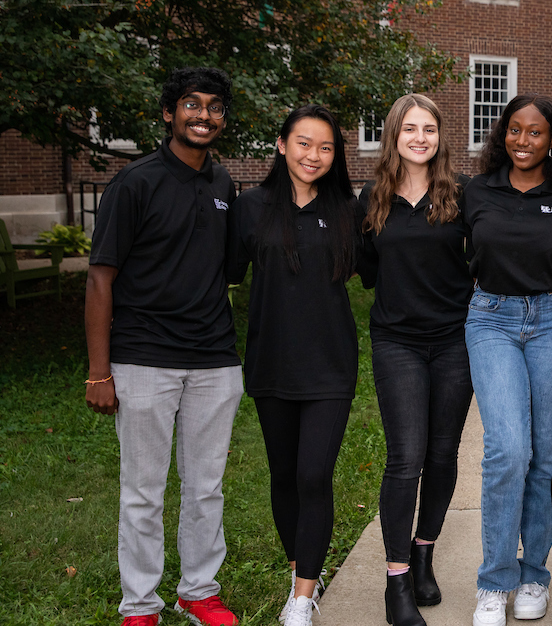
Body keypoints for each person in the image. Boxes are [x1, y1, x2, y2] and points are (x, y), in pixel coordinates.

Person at [84, 67, 242, 626]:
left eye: (214, 106)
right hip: (143, 358)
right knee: (143, 492)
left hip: (215, 361)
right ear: (170, 112)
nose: (203, 115)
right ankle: (140, 605)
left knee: (206, 488)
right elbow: (100, 277)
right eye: (191, 105)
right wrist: (99, 372)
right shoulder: (136, 182)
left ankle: (198, 591)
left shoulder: (224, 185)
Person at [462, 95, 552, 626]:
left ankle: (533, 576)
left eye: (535, 132)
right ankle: (494, 582)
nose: (523, 141)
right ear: (504, 134)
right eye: (514, 130)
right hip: (491, 318)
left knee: (547, 452)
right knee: (507, 450)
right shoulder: (477, 190)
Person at [226, 104, 360, 626]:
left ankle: (301, 600)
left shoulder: (348, 207)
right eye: (304, 143)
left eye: (326, 147)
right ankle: (302, 568)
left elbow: (383, 267)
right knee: (283, 474)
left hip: (330, 365)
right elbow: (223, 276)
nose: (314, 155)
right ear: (282, 145)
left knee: (312, 474)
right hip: (271, 361)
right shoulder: (251, 206)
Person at [358, 94, 474, 626]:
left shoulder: (461, 195)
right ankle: (397, 579)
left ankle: (425, 550)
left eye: (429, 129)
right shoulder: (372, 199)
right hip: (397, 344)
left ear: (439, 136)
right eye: (410, 129)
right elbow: (366, 271)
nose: (420, 138)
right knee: (406, 457)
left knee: (443, 455)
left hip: (454, 342)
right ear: (394, 136)